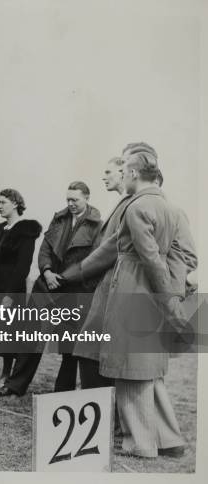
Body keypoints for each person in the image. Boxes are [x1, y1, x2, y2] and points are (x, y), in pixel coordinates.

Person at [99, 151, 189, 458]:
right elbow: (175, 258)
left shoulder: (136, 206)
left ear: (135, 173)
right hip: (153, 292)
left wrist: (168, 301)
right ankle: (167, 438)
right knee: (147, 367)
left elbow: (150, 259)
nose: (122, 176)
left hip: (133, 286)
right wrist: (172, 297)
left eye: (124, 171)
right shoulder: (168, 207)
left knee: (128, 365)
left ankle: (139, 443)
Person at [59, 157, 131, 389]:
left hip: (110, 284)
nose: (104, 176)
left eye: (109, 172)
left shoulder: (129, 202)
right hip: (103, 284)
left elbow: (108, 248)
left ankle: (102, 409)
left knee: (89, 351)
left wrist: (75, 273)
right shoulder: (122, 202)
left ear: (123, 172)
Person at [37, 181, 102, 392]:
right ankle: (64, 390)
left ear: (87, 198)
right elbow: (45, 249)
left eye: (75, 199)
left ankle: (80, 392)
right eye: (68, 200)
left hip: (81, 291)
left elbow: (95, 260)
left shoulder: (98, 225)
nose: (71, 203)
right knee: (66, 347)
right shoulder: (59, 220)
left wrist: (63, 278)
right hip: (59, 290)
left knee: (80, 347)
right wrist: (47, 271)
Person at [0, 189, 42, 395]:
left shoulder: (26, 231)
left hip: (12, 287)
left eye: (3, 202)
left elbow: (23, 267)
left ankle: (6, 375)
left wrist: (9, 295)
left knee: (7, 332)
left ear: (15, 203)